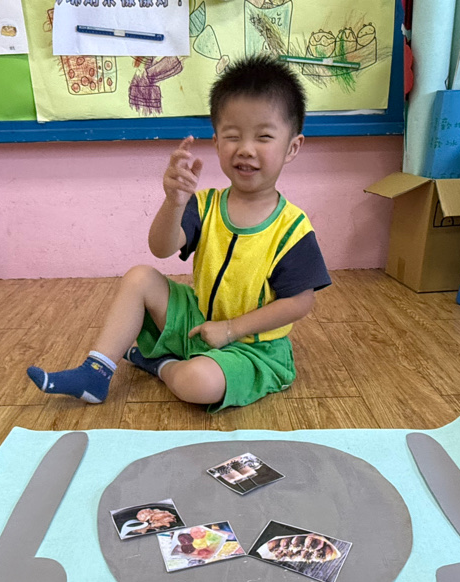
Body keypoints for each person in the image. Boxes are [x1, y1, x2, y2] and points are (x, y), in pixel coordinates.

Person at [27, 54, 331, 410]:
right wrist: (174, 201)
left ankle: (160, 364)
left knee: (198, 382)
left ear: (292, 147)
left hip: (253, 348)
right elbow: (161, 248)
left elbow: (299, 302)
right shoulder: (205, 205)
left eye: (264, 136)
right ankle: (97, 370)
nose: (246, 149)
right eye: (233, 136)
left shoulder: (292, 229)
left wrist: (231, 329)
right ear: (216, 143)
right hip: (198, 322)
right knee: (140, 277)